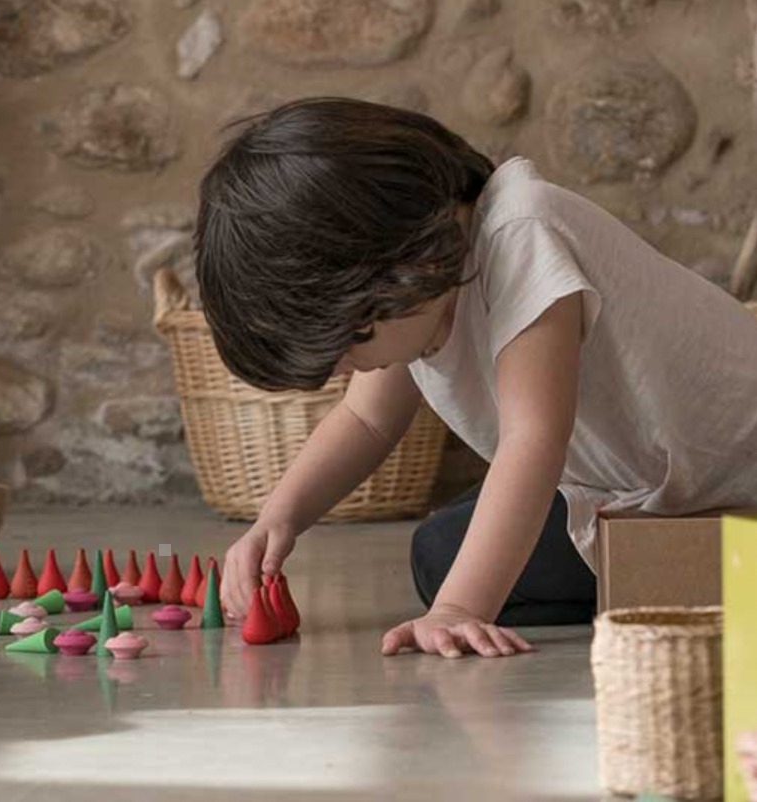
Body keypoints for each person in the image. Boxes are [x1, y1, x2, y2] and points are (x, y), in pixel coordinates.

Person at [192, 96, 757, 659]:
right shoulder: (426, 293)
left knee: (461, 570)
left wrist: (459, 610)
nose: (342, 367)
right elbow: (366, 420)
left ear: (398, 271)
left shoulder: (520, 234)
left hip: (731, 476)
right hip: (636, 481)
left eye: (345, 344)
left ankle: (696, 571)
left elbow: (534, 439)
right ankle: (672, 566)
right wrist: (278, 519)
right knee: (440, 551)